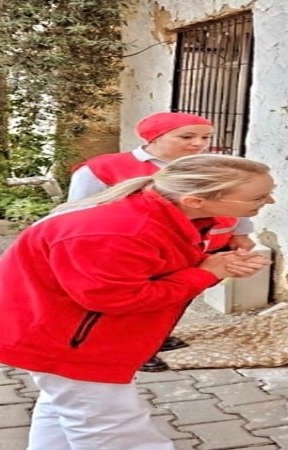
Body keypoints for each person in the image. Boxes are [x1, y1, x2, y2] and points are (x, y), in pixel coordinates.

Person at [0, 154, 275, 450]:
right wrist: (206, 272)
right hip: (67, 340)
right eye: (259, 197)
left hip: (66, 333)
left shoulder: (157, 214)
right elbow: (120, 297)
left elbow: (148, 272)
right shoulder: (120, 230)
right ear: (196, 200)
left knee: (71, 410)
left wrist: (213, 265)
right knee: (112, 430)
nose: (269, 201)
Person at [69, 111, 256, 371]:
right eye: (187, 137)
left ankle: (156, 336)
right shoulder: (103, 168)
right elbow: (78, 211)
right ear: (154, 138)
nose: (198, 144)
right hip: (136, 250)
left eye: (205, 137)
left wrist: (241, 233)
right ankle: (130, 347)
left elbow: (238, 201)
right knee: (138, 299)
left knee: (179, 294)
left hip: (201, 247)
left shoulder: (213, 166)